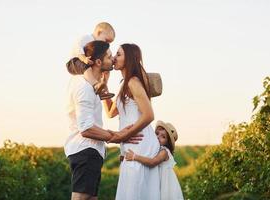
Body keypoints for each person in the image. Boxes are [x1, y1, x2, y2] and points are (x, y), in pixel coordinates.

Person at [64, 40, 131, 200]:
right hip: (86, 150)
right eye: (109, 56)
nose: (112, 59)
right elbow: (86, 128)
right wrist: (115, 136)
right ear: (99, 62)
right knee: (80, 198)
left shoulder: (92, 87)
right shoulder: (84, 87)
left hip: (91, 151)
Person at [102, 43, 161, 200]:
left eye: (118, 54)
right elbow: (110, 112)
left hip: (140, 144)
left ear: (129, 60)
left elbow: (149, 115)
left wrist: (124, 135)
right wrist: (104, 87)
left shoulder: (133, 82)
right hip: (130, 143)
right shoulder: (124, 84)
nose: (114, 58)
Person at [125, 120, 184, 200]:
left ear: (167, 143)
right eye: (157, 133)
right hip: (156, 179)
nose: (158, 137)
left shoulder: (164, 152)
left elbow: (152, 162)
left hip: (164, 183)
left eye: (163, 137)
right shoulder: (155, 149)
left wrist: (134, 157)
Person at [67, 22, 115, 99]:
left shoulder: (97, 45)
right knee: (86, 67)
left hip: (85, 61)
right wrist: (84, 58)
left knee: (106, 69)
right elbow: (78, 49)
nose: (106, 43)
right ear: (99, 32)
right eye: (106, 40)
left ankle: (103, 90)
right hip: (75, 62)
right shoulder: (86, 38)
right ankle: (95, 85)